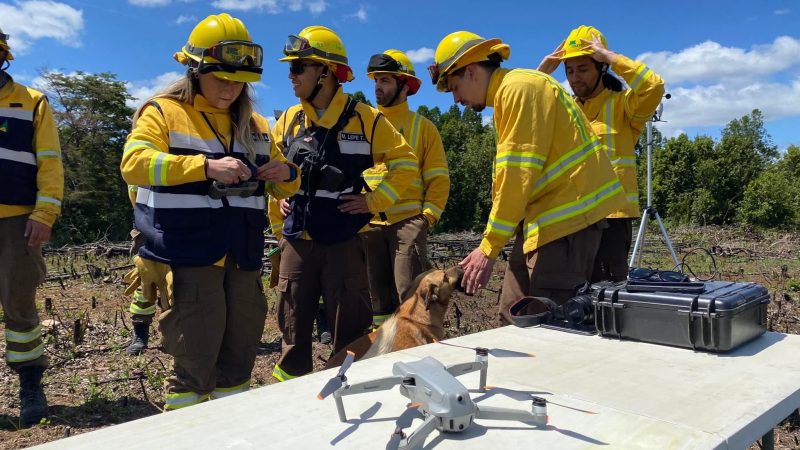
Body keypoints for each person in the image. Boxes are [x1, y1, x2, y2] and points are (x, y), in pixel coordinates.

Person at [120, 13, 300, 411]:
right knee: (194, 361)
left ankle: (230, 428)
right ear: (195, 69)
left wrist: (285, 172)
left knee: (239, 359)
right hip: (189, 254)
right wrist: (204, 166)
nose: (231, 89)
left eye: (240, 82)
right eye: (223, 79)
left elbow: (290, 179)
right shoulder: (164, 111)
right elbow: (134, 163)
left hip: (243, 255)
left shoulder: (253, 123)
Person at [428, 31, 625, 324]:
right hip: (544, 224)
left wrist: (489, 247)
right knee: (512, 315)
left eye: (455, 87)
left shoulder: (518, 89)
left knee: (547, 324)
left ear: (471, 72)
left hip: (565, 226)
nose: (456, 99)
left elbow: (517, 175)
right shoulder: (514, 91)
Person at [271, 26, 417, 381]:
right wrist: (280, 204)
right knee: (291, 333)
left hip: (345, 245)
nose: (290, 75)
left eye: (298, 67)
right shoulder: (289, 119)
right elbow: (271, 172)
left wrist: (373, 201)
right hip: (298, 243)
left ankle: (343, 394)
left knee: (349, 333)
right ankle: (292, 402)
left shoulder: (366, 119)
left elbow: (406, 165)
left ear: (325, 71)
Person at [537, 25, 665, 282]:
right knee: (570, 294)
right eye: (569, 70)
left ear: (601, 68)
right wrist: (541, 73)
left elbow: (653, 87)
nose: (574, 78)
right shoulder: (566, 107)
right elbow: (523, 111)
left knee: (606, 296)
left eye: (583, 68)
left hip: (612, 220)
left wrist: (610, 56)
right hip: (571, 218)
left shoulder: (623, 105)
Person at [0, 27, 64, 426]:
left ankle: (30, 383)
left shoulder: (31, 102)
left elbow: (50, 161)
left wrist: (43, 214)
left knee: (19, 303)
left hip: (17, 221)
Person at [362, 49, 450, 326]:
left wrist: (426, 218)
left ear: (405, 85)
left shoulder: (423, 128)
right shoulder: (362, 124)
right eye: (376, 80)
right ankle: (383, 349)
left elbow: (438, 178)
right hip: (368, 222)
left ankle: (414, 345)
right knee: (375, 297)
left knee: (410, 293)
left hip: (407, 223)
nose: (378, 87)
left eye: (385, 80)